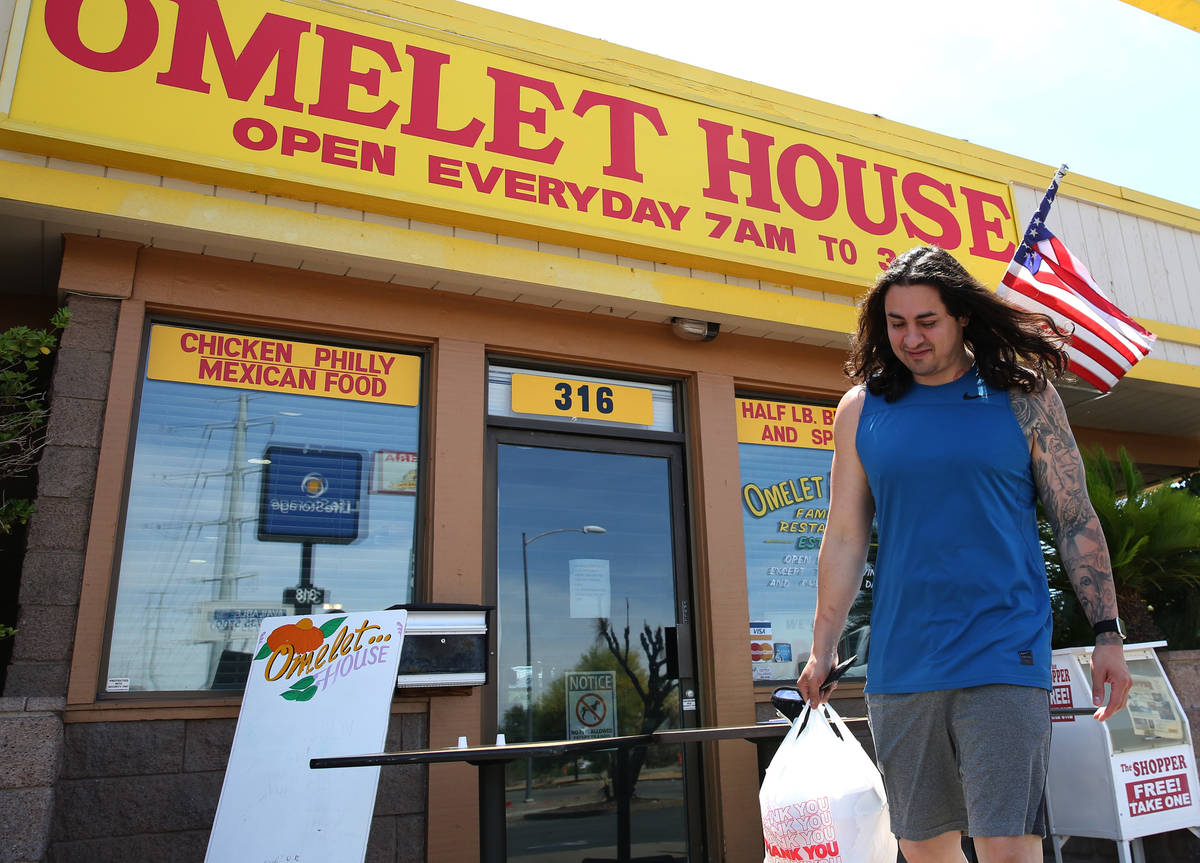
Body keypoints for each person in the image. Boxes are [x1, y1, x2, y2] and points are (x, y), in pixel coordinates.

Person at [797, 245, 1132, 863]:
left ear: (962, 319)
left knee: (1007, 846)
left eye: (927, 321)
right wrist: (823, 648)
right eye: (897, 324)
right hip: (902, 662)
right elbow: (843, 535)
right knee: (925, 850)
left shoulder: (1026, 399)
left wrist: (1107, 632)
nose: (911, 338)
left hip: (1004, 650)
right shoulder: (861, 410)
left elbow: (1075, 517)